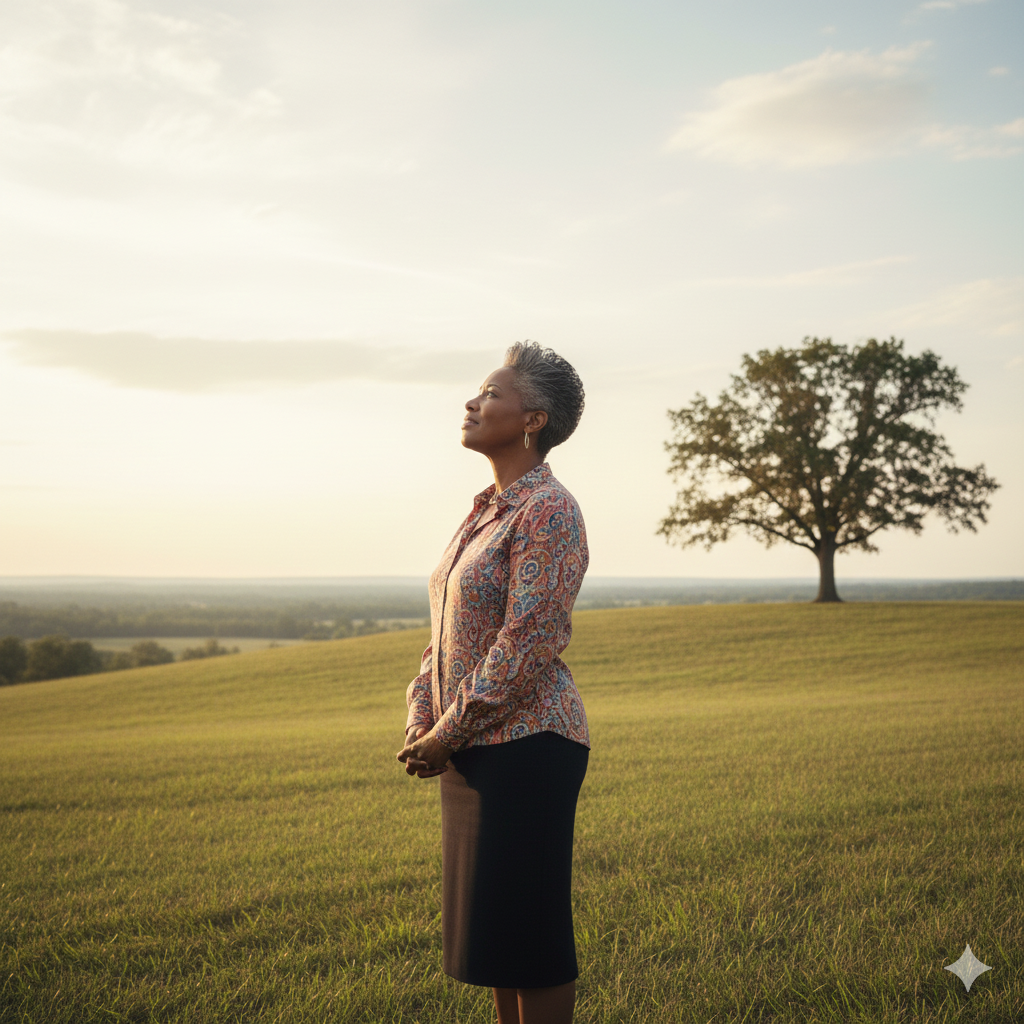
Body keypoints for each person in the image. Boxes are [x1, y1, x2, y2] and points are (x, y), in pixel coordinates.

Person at [396, 341, 591, 1024]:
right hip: (471, 744)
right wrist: (423, 716)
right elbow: (445, 630)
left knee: (530, 940)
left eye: (491, 393)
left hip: (529, 745)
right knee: (498, 944)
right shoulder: (483, 510)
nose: (472, 403)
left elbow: (527, 641)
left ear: (532, 419)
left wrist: (447, 732)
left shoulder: (549, 511)